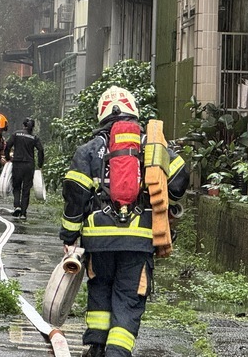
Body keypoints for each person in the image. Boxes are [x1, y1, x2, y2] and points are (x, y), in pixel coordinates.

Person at [59, 86, 189, 357]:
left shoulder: (89, 150)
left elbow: (75, 195)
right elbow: (180, 181)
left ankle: (96, 348)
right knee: (128, 299)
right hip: (138, 241)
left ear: (102, 114)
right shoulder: (152, 145)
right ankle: (117, 353)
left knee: (100, 290)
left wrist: (69, 237)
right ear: (133, 110)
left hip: (98, 241)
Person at [3, 116, 44, 221]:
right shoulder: (34, 138)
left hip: (17, 164)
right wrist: (40, 164)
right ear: (32, 127)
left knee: (16, 186)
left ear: (23, 125)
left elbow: (7, 146)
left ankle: (17, 206)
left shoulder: (16, 134)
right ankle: (23, 213)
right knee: (26, 190)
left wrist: (7, 157)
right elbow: (40, 150)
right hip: (29, 166)